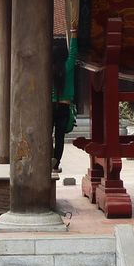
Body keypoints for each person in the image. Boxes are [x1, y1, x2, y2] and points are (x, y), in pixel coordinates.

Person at [51, 39, 78, 173]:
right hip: (64, 107)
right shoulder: (68, 67)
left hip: (49, 108)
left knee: (46, 135)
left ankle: (47, 160)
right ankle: (55, 163)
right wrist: (73, 34)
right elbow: (74, 52)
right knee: (59, 137)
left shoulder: (47, 71)